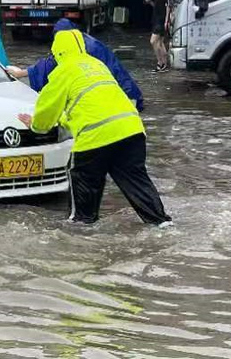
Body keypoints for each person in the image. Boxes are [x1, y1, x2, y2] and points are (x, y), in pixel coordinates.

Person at [17, 29, 172, 227]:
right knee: (137, 183)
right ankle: (161, 223)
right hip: (131, 132)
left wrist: (35, 126)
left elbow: (45, 114)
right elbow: (88, 108)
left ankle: (80, 238)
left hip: (94, 141)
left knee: (82, 214)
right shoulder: (97, 65)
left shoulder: (62, 72)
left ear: (57, 52)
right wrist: (63, 121)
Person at [6, 18, 144, 112]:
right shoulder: (86, 43)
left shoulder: (77, 49)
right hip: (126, 95)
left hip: (120, 98)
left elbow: (50, 66)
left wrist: (21, 73)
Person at [145, 0, 171, 72]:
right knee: (160, 43)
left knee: (153, 41)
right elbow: (156, 7)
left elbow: (169, 7)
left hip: (161, 21)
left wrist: (166, 21)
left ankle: (160, 62)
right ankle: (164, 64)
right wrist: (150, 1)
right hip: (157, 20)